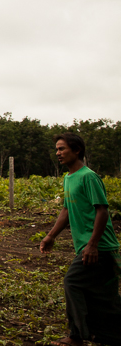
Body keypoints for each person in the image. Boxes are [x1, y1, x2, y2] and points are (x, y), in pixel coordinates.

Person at [40, 133, 121, 346]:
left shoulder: (88, 177)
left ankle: (77, 335)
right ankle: (110, 336)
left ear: (77, 150)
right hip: (88, 246)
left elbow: (102, 211)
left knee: (73, 282)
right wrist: (50, 236)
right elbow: (66, 210)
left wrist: (92, 244)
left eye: (62, 149)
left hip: (100, 246)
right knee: (104, 295)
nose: (58, 153)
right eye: (56, 149)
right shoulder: (68, 178)